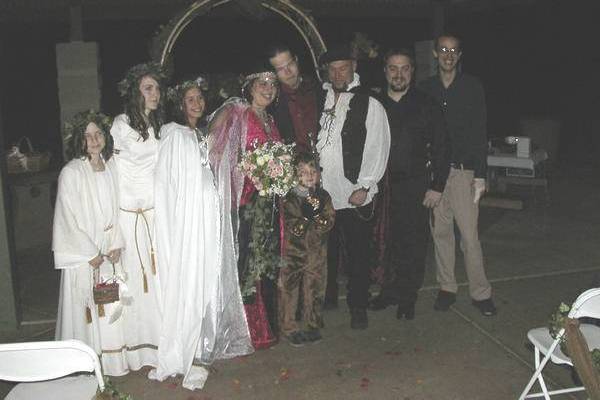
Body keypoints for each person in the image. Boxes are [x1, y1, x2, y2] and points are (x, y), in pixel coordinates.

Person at [150, 78, 253, 390]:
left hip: (205, 223)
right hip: (188, 226)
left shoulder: (196, 134)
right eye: (189, 99)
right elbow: (167, 186)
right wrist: (177, 228)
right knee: (189, 281)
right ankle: (184, 347)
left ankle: (200, 340)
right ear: (179, 104)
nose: (196, 103)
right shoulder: (173, 134)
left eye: (199, 98)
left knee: (206, 279)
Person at [368, 48, 450, 319]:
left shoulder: (427, 105)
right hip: (380, 186)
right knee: (385, 242)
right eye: (393, 68)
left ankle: (407, 297)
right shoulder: (374, 104)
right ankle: (388, 291)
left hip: (415, 186)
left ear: (412, 72)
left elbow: (442, 147)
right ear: (385, 71)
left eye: (404, 68)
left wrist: (437, 185)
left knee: (413, 243)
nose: (399, 74)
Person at [420, 34, 497, 316]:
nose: (448, 55)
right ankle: (446, 288)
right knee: (440, 233)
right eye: (443, 49)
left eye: (453, 50)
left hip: (464, 172)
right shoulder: (425, 88)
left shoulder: (472, 86)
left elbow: (480, 130)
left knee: (470, 237)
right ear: (434, 53)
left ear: (460, 55)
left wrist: (481, 175)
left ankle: (481, 293)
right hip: (436, 174)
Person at [317, 44, 390, 329]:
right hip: (323, 193)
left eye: (343, 68)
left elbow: (378, 146)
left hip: (353, 193)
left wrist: (366, 185)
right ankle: (329, 297)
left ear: (354, 68)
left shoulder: (369, 103)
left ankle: (358, 305)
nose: (338, 74)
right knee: (327, 251)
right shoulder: (321, 101)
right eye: (333, 69)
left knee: (359, 254)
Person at [208, 65, 282, 349]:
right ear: (249, 88)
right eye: (261, 84)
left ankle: (266, 327)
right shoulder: (239, 112)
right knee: (247, 266)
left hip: (268, 203)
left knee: (265, 265)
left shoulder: (270, 120)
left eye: (272, 85)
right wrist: (241, 168)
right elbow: (214, 145)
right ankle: (247, 330)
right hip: (245, 204)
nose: (267, 88)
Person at [53, 110, 127, 376]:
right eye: (87, 136)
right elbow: (66, 217)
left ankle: (111, 362)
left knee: (109, 306)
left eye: (98, 134)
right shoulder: (71, 172)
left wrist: (116, 242)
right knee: (86, 306)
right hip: (86, 253)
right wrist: (89, 252)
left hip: (107, 250)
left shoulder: (111, 168)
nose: (94, 140)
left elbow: (117, 209)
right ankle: (84, 364)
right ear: (79, 141)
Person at [109, 62, 164, 371]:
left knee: (156, 280)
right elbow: (114, 174)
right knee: (135, 281)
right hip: (131, 214)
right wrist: (115, 226)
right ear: (135, 92)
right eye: (148, 88)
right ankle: (134, 349)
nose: (155, 93)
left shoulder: (155, 122)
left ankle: (157, 344)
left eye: (156, 88)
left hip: (154, 212)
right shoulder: (121, 125)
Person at [279, 152, 335, 346]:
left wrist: (318, 214)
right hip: (293, 253)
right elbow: (292, 227)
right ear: (294, 175)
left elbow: (328, 223)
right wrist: (304, 217)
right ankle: (289, 327)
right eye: (303, 172)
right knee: (290, 289)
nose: (309, 175)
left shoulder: (323, 196)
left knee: (315, 287)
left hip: (316, 252)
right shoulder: (289, 198)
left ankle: (313, 324)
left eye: (313, 171)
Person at [267, 44, 320, 152]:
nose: (288, 72)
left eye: (290, 64)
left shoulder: (320, 89)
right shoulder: (271, 104)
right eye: (280, 69)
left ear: (296, 60)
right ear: (274, 73)